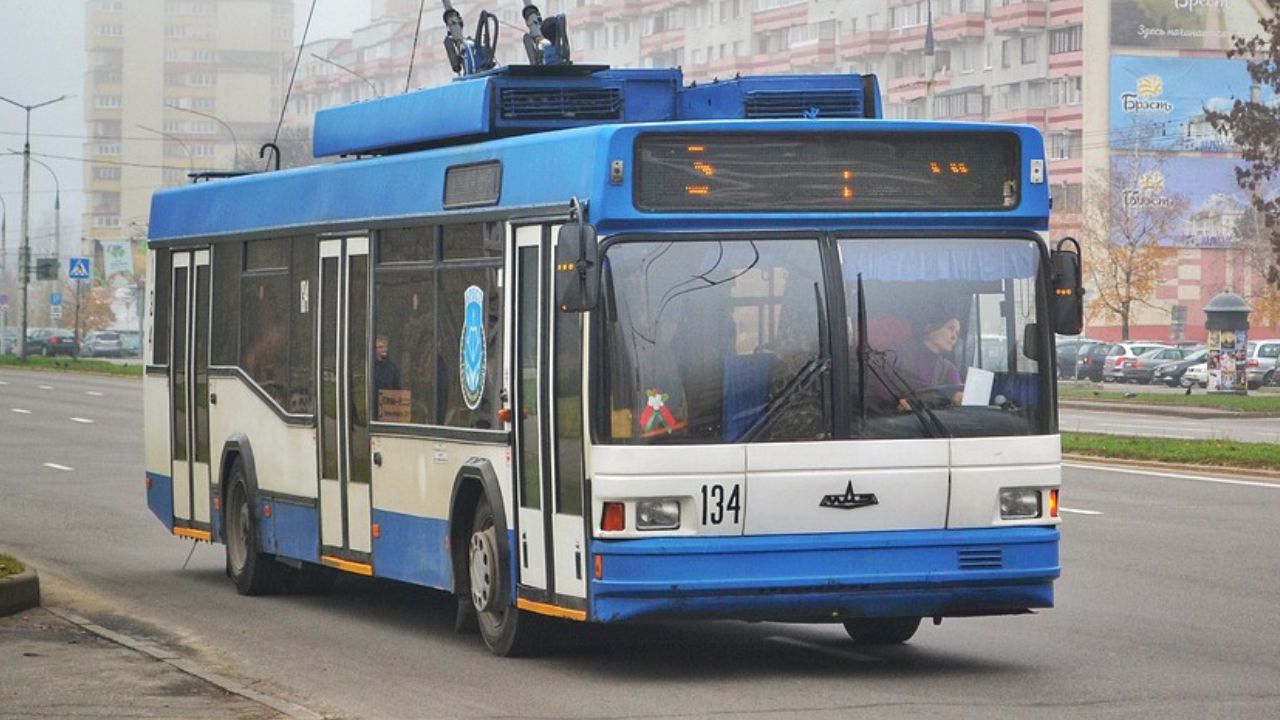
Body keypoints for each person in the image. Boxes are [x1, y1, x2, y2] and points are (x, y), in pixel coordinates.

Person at [888, 315, 964, 411]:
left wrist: (960, 398)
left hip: (928, 423)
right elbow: (877, 387)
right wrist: (895, 401)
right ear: (929, 327)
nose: (954, 337)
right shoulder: (897, 354)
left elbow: (958, 395)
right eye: (950, 328)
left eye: (957, 333)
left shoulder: (949, 369)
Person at [372, 335, 403, 420]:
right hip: (373, 405)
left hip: (388, 405)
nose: (384, 350)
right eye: (380, 347)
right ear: (374, 349)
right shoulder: (370, 366)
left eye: (385, 347)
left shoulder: (392, 367)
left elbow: (397, 388)